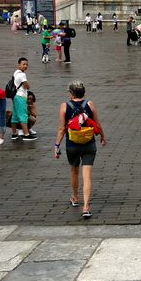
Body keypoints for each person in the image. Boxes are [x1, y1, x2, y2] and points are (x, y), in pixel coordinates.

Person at [54, 81, 106, 219]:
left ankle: (76, 198)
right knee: (87, 175)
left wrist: (56, 145)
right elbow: (97, 124)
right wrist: (102, 136)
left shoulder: (64, 106)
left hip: (72, 144)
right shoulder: (90, 104)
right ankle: (86, 207)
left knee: (74, 171)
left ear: (71, 93)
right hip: (89, 143)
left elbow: (62, 128)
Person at [9, 58, 37, 140]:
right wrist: (28, 86)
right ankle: (26, 134)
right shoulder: (22, 75)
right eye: (23, 64)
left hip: (15, 96)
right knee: (23, 115)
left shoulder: (16, 73)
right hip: (21, 96)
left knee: (15, 115)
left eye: (26, 64)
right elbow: (26, 86)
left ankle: (14, 134)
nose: (25, 66)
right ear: (19, 65)